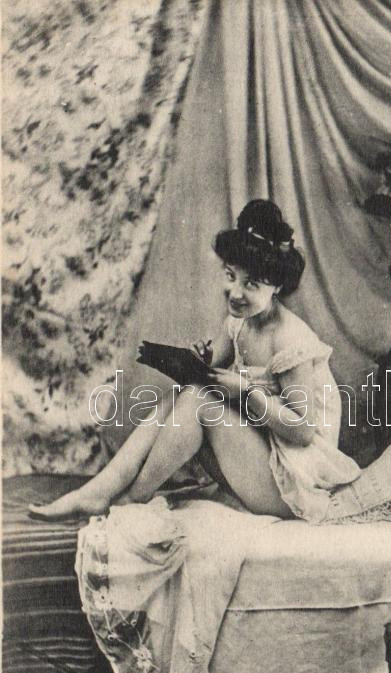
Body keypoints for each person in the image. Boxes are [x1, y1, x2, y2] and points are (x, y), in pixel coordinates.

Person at [29, 199, 360, 524]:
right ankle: (99, 491)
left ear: (276, 287)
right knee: (181, 395)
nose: (235, 292)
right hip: (257, 459)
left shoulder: (289, 339)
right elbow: (211, 367)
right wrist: (200, 361)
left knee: (199, 400)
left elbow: (302, 432)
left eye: (251, 284)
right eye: (230, 275)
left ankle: (133, 498)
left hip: (292, 486)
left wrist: (246, 393)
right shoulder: (240, 321)